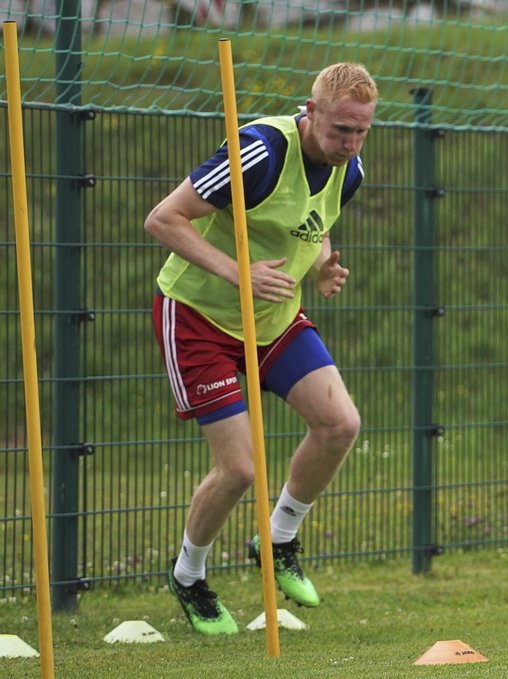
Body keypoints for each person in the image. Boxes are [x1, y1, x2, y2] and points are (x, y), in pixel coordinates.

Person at [144, 63, 378, 635]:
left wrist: (323, 264)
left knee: (340, 423)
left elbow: (312, 220)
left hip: (273, 318)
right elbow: (163, 219)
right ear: (311, 111)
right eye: (340, 129)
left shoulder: (349, 171)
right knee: (240, 470)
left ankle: (277, 540)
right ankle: (190, 575)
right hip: (199, 317)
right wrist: (239, 272)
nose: (349, 143)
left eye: (361, 132)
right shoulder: (260, 152)